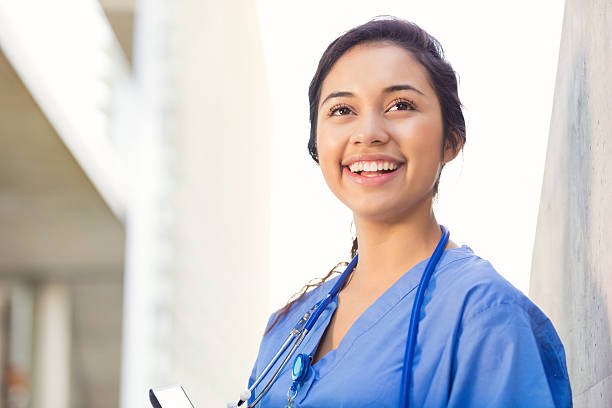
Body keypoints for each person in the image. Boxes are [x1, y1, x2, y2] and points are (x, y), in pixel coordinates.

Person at [245, 16, 572, 407]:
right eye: (342, 110)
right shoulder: (287, 329)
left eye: (400, 105)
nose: (368, 132)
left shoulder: (487, 318)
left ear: (451, 141)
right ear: (318, 144)